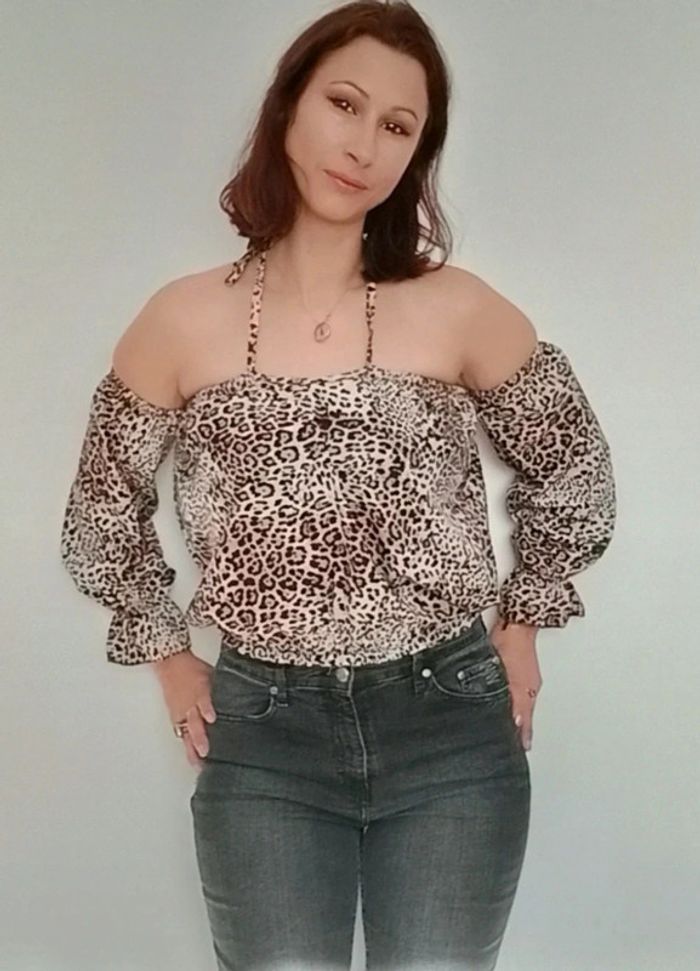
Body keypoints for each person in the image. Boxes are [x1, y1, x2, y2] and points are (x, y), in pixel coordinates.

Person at [59, 2, 617, 968]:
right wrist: (170, 654)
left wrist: (524, 618)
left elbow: (574, 466)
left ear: (416, 156)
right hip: (265, 734)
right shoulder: (180, 320)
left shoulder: (457, 307)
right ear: (290, 107)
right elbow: (101, 513)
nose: (363, 145)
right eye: (344, 104)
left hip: (450, 723)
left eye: (398, 126)